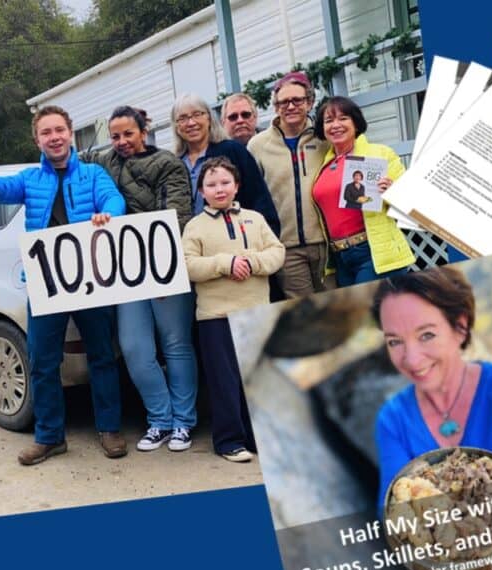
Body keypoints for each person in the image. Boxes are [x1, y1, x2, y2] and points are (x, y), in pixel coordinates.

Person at [0, 106, 129, 465]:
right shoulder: (29, 178)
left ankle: (109, 429)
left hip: (91, 280)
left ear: (70, 133)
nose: (54, 137)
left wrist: (109, 215)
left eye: (59, 130)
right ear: (36, 139)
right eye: (46, 132)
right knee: (41, 360)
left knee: (101, 356)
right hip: (46, 282)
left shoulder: (93, 174)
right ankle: (51, 437)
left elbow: (113, 200)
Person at [373, 267, 492, 570]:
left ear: (460, 328)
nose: (411, 358)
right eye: (395, 341)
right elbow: (393, 509)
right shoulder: (393, 418)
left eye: (426, 335)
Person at [81, 105, 199, 452]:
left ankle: (184, 422)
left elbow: (177, 216)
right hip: (124, 272)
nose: (121, 141)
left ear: (143, 132)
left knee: (176, 344)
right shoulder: (103, 165)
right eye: (115, 136)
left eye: (128, 134)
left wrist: (161, 272)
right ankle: (159, 419)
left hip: (164, 266)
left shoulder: (167, 164)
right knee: (134, 347)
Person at [182, 157, 284, 462]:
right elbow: (188, 265)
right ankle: (229, 440)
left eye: (225, 182)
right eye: (211, 184)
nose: (219, 189)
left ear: (237, 185)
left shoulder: (254, 219)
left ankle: (258, 436)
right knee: (224, 380)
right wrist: (224, 264)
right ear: (201, 191)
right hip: (215, 317)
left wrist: (251, 262)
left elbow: (276, 252)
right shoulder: (194, 226)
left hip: (255, 312)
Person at [312, 96, 415, 287]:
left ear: (356, 123)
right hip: (340, 258)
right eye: (328, 120)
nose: (336, 125)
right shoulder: (324, 165)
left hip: (373, 251)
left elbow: (410, 200)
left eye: (343, 118)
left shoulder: (380, 153)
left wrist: (392, 192)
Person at [248, 71, 331, 299]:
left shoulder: (325, 138)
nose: (291, 106)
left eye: (298, 100)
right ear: (275, 106)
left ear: (310, 102)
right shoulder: (258, 145)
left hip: (327, 244)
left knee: (335, 311)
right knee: (304, 315)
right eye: (284, 102)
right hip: (286, 247)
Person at [171, 93, 280, 237]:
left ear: (209, 118)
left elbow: (258, 197)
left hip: (234, 241)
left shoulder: (232, 151)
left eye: (197, 114)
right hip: (191, 246)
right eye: (183, 118)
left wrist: (267, 237)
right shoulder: (173, 163)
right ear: (176, 125)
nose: (191, 123)